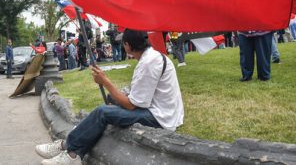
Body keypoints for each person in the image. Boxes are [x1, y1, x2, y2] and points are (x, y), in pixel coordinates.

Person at [35, 29, 184, 165]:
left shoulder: (149, 62)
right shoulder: (151, 57)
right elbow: (138, 95)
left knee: (103, 112)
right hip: (157, 110)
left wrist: (105, 81)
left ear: (128, 45)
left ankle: (71, 153)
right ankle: (67, 144)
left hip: (160, 117)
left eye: (123, 43)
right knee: (111, 101)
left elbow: (132, 105)